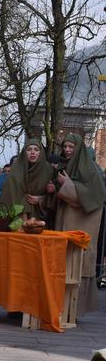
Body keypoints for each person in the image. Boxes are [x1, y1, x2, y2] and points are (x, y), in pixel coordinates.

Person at [48, 133, 106, 315]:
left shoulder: (90, 170)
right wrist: (53, 191)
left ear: (78, 148)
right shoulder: (67, 167)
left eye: (71, 147)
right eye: (65, 146)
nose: (67, 150)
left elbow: (93, 196)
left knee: (77, 266)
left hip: (81, 225)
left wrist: (67, 185)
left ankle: (73, 308)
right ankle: (60, 307)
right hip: (66, 221)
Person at [0, 140, 53, 220]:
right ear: (24, 152)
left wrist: (40, 199)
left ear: (41, 153)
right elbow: (8, 195)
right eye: (29, 149)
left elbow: (53, 197)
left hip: (40, 217)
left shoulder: (48, 170)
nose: (32, 152)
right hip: (18, 215)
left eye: (36, 150)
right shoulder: (15, 170)